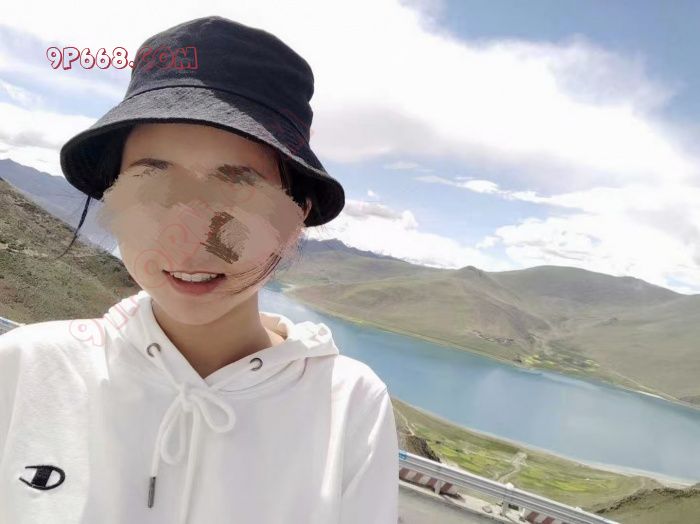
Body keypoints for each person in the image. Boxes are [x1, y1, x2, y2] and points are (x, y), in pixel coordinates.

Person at [0, 15, 399, 524]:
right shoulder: (24, 368)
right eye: (152, 185)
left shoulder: (350, 405)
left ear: (296, 215)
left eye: (238, 190)